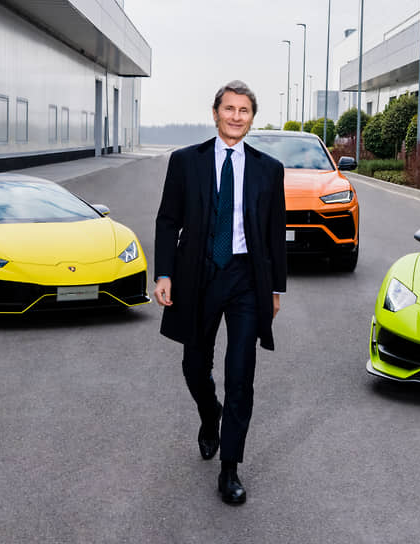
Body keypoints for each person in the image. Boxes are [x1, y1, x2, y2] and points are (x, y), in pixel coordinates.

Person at [153, 80, 286, 505]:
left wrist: (275, 289)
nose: (235, 116)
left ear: (252, 118)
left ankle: (230, 468)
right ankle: (210, 413)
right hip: (199, 275)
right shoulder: (185, 161)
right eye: (229, 109)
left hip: (246, 278)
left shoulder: (269, 169)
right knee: (194, 366)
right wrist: (164, 274)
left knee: (240, 374)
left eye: (244, 110)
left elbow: (275, 232)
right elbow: (167, 220)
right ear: (215, 114)